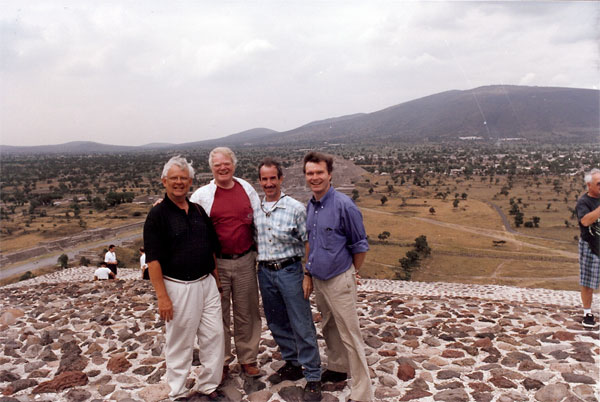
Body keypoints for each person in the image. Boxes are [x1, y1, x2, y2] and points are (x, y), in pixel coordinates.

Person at [143, 155, 224, 400]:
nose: (179, 183)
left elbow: (211, 247)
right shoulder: (157, 215)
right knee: (180, 341)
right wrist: (162, 297)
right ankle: (177, 391)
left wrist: (216, 281)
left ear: (190, 182)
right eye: (174, 178)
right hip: (178, 286)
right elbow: (153, 260)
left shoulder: (198, 211)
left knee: (214, 336)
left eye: (184, 178)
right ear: (164, 181)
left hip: (206, 283)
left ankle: (208, 387)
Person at [303, 151, 373, 402]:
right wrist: (308, 272)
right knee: (329, 326)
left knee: (350, 334)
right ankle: (337, 367)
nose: (315, 177)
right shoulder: (311, 205)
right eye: (310, 173)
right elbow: (311, 241)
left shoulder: (344, 205)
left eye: (319, 172)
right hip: (320, 279)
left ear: (329, 174)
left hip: (339, 278)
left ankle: (362, 393)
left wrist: (352, 272)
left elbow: (360, 245)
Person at [190, 147, 262, 379]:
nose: (223, 168)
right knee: (217, 315)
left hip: (245, 259)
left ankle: (248, 358)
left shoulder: (246, 189)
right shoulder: (202, 195)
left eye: (226, 163)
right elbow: (186, 217)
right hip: (216, 265)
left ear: (234, 165)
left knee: (247, 312)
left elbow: (259, 220)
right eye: (218, 164)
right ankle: (220, 361)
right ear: (211, 168)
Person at [255, 158, 322, 401]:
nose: (269, 183)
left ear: (281, 179)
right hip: (265, 272)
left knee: (301, 322)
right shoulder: (257, 210)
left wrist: (308, 273)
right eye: (264, 179)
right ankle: (292, 362)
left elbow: (308, 242)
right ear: (260, 181)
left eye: (273, 178)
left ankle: (314, 375)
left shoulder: (295, 208)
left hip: (290, 271)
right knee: (276, 321)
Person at [576, 168, 600, 328]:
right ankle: (587, 313)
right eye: (599, 183)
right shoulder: (584, 202)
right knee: (588, 282)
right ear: (589, 185)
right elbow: (585, 221)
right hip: (591, 246)